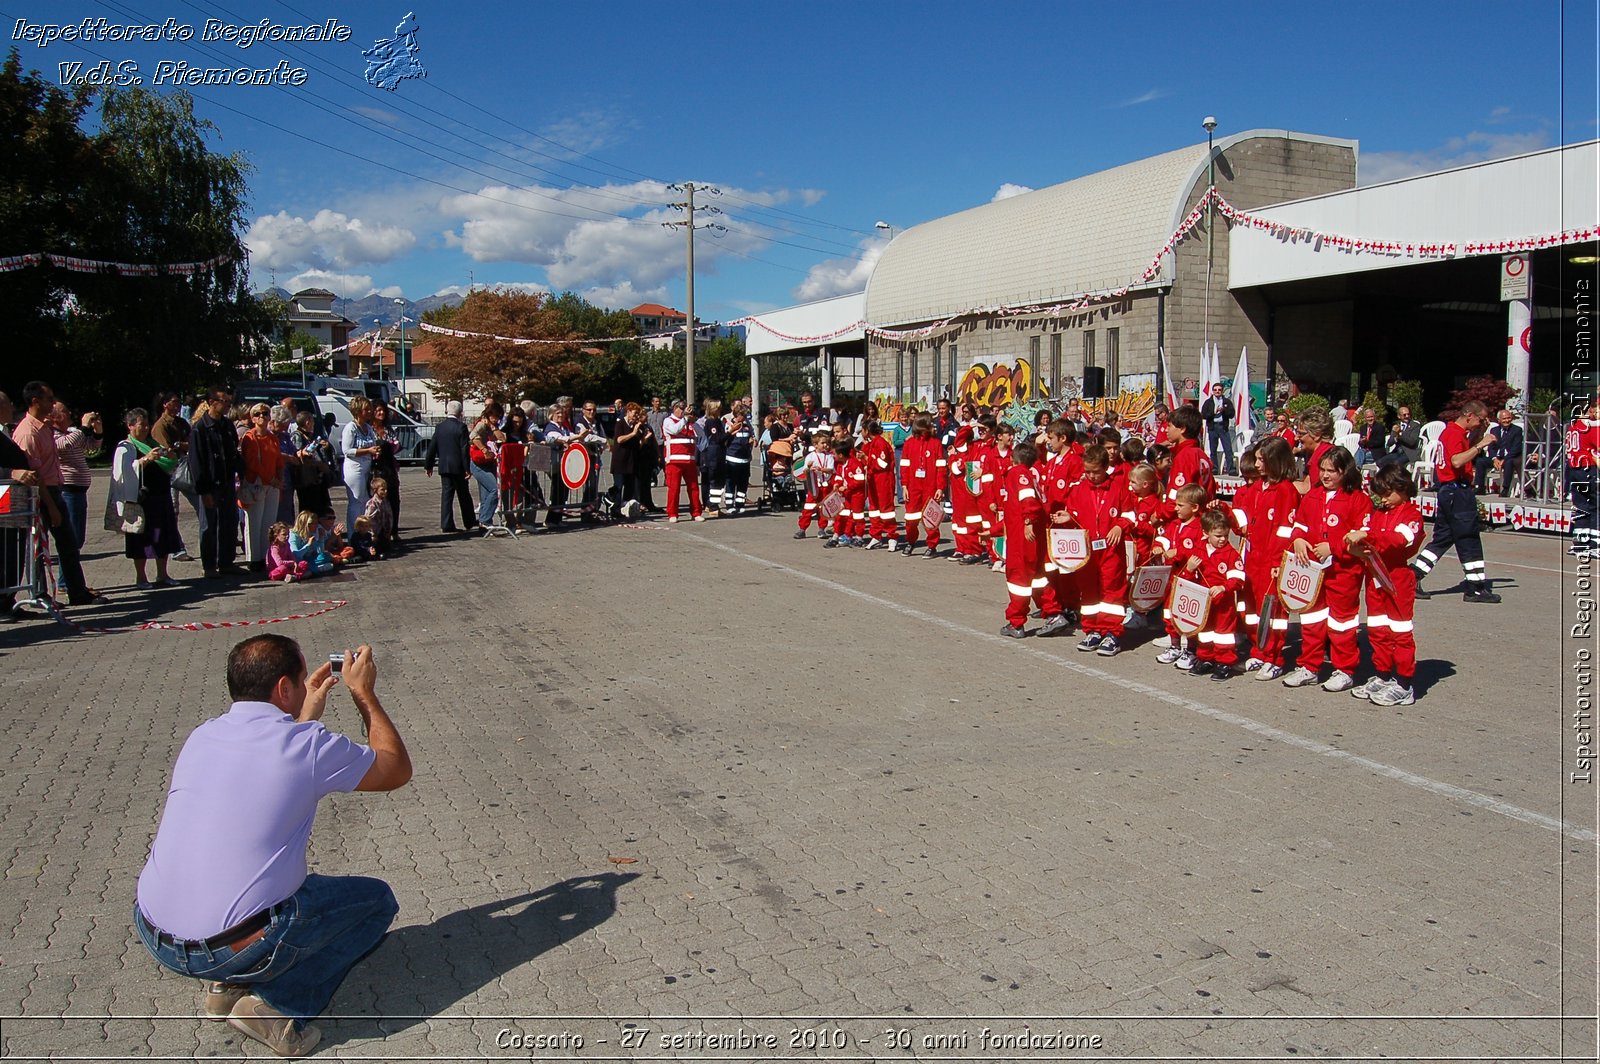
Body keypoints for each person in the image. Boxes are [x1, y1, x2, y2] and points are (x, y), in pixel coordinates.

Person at [134, 636, 411, 1057]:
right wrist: (363, 694)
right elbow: (394, 769)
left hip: (156, 933)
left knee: (251, 877)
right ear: (284, 689)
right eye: (301, 679)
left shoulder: (203, 735)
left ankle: (226, 985)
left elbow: (270, 759)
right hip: (230, 942)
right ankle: (277, 1006)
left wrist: (303, 717)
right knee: (375, 901)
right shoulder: (308, 746)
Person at [1281, 447, 1373, 691]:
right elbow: (1298, 524)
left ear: (1345, 471)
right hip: (1312, 570)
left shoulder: (1358, 499)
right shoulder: (1313, 495)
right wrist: (1298, 538)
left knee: (1342, 622)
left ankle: (1345, 669)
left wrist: (1333, 547)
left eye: (1331, 470)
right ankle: (1310, 666)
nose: (1325, 475)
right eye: (1322, 469)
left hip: (1344, 571)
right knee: (1311, 619)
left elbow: (1361, 537)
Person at [13, 381, 103, 604]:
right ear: (35, 402)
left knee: (68, 544)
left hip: (55, 490)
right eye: (48, 398)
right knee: (37, 547)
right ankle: (40, 594)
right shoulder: (28, 432)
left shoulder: (45, 428)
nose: (52, 403)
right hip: (39, 494)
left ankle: (77, 592)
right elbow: (34, 474)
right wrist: (51, 506)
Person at [1345, 464, 1424, 705]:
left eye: (1388, 494)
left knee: (1400, 631)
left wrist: (1367, 537)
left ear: (1403, 489)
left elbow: (1398, 541)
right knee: (1378, 629)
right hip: (1375, 577)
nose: (1384, 499)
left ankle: (1404, 682)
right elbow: (1367, 533)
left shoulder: (1412, 516)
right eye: (1380, 494)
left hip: (1397, 578)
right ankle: (1382, 674)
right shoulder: (1380, 513)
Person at [1411, 400, 1501, 603]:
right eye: (1480, 418)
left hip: (1450, 491)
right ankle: (1475, 587)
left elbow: (1460, 454)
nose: (1481, 422)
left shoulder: (1455, 433)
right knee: (1468, 538)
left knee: (1443, 538)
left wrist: (1478, 437)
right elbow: (1457, 461)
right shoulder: (1454, 433)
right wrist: (1480, 445)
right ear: (1469, 415)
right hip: (1456, 491)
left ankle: (1413, 575)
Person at [1057, 445, 1132, 654]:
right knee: (1088, 591)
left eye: (1096, 472)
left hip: (1111, 551)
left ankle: (1112, 633)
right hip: (1087, 551)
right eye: (1087, 471)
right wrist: (1067, 518)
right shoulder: (1078, 490)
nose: (1091, 476)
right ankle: (1092, 629)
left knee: (1112, 591)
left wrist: (1119, 525)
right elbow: (1073, 514)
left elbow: (1130, 515)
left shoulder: (1118, 489)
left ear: (1106, 468)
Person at [998, 439, 1065, 638]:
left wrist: (1027, 521)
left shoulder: (1018, 474)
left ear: (1013, 459)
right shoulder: (1029, 475)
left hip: (1023, 538)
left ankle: (1016, 622)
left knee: (1018, 579)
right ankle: (1053, 612)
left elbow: (1028, 502)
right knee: (1037, 577)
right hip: (1030, 535)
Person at [110, 407, 183, 590]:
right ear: (130, 426)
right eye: (141, 425)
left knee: (163, 536)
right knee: (140, 539)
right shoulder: (126, 446)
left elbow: (167, 467)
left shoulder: (152, 443)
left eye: (146, 424)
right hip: (141, 499)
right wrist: (145, 460)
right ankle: (141, 577)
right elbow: (122, 473)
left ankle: (162, 574)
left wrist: (169, 458)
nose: (145, 428)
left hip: (160, 495)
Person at [1185, 509, 1247, 680]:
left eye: (1225, 536)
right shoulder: (1199, 549)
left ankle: (1224, 662)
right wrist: (1189, 569)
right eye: (1218, 536)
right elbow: (1189, 577)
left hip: (1223, 603)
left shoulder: (1230, 554)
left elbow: (1238, 578)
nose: (1222, 540)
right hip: (1204, 602)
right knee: (1205, 631)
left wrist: (1224, 587)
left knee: (1223, 634)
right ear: (1206, 533)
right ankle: (1206, 658)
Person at [49, 399, 102, 550]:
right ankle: (65, 573)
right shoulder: (52, 435)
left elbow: (91, 448)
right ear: (54, 417)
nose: (70, 414)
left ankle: (70, 570)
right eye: (65, 411)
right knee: (70, 539)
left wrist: (98, 432)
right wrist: (84, 427)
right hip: (67, 491)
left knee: (77, 538)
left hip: (80, 491)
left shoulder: (72, 433)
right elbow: (66, 444)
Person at [239, 404, 284, 570]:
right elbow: (253, 464)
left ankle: (267, 555)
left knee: (269, 522)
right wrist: (271, 479)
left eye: (265, 413)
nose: (262, 417)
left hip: (273, 485)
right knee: (254, 522)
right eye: (258, 414)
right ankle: (253, 559)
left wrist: (279, 479)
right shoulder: (249, 437)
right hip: (257, 484)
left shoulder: (272, 437)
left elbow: (279, 460)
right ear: (252, 418)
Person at [424, 400, 477, 533]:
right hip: (458, 466)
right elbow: (464, 449)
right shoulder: (461, 427)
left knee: (447, 495)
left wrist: (428, 465)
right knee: (464, 494)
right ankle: (469, 521)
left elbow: (432, 446)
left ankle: (446, 523)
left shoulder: (440, 427)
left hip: (444, 466)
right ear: (460, 412)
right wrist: (467, 468)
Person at [898, 415, 946, 558]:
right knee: (911, 518)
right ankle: (911, 541)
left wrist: (940, 487)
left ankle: (932, 545)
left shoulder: (935, 443)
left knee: (930, 516)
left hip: (930, 486)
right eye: (930, 424)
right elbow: (904, 467)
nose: (933, 426)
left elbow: (941, 467)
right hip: (913, 486)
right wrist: (904, 486)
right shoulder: (909, 443)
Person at [1566, 395, 1600, 557]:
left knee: (1581, 506)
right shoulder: (1589, 427)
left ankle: (1580, 543)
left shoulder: (1572, 427)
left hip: (1575, 470)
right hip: (1588, 469)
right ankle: (1595, 543)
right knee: (1596, 506)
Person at [340, 396, 380, 532]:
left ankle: (364, 533)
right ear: (358, 411)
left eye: (370, 409)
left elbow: (373, 444)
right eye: (366, 409)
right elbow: (346, 450)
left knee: (365, 502)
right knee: (356, 502)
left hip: (367, 468)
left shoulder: (368, 428)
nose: (370, 412)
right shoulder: (350, 428)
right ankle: (353, 534)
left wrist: (375, 451)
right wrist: (368, 450)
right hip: (354, 468)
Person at [660, 400, 703, 522]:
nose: (683, 410)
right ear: (674, 408)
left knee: (694, 488)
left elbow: (701, 434)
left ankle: (696, 512)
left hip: (689, 461)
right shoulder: (668, 421)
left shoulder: (689, 422)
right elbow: (674, 430)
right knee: (674, 488)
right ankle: (672, 513)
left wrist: (692, 421)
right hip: (674, 461)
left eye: (685, 408)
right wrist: (684, 419)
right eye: (681, 408)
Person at [1477, 407, 1524, 496]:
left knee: (1509, 462)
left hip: (1510, 457)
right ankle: (1480, 487)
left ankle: (1505, 489)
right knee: (1480, 461)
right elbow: (1491, 447)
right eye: (1504, 419)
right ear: (1499, 420)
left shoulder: (1517, 430)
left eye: (1508, 418)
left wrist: (1504, 459)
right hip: (1497, 458)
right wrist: (1495, 459)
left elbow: (1516, 448)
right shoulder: (1494, 430)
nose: (1507, 420)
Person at [1199, 382, 1235, 475]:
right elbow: (1204, 414)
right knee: (1213, 449)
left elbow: (1232, 414)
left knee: (1228, 449)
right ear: (1212, 391)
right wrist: (1214, 412)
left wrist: (1224, 411)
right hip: (1213, 427)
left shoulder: (1227, 401)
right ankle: (1214, 468)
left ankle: (1231, 469)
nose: (1217, 391)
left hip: (1223, 426)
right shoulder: (1208, 402)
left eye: (1219, 390)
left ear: (1222, 391)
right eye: (1215, 390)